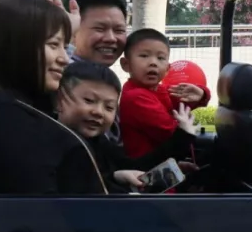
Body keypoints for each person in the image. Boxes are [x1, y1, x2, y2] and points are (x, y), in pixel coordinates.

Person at [0, 0, 108, 194]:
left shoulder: (16, 108)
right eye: (54, 45)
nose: (65, 59)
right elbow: (40, 207)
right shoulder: (0, 120)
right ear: (16, 45)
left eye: (65, 46)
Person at [56, 61, 199, 193]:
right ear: (59, 99)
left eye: (109, 107)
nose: (99, 112)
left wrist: (179, 147)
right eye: (89, 101)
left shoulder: (98, 141)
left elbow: (132, 166)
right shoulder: (55, 146)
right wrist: (115, 179)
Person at [34, 0, 129, 142]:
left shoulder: (107, 78)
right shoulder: (56, 76)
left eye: (119, 30)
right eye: (100, 29)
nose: (111, 38)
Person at [119, 28, 211, 159]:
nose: (153, 63)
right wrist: (186, 127)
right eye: (144, 56)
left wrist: (201, 94)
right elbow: (172, 133)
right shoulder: (136, 97)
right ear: (126, 64)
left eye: (160, 58)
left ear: (167, 69)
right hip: (148, 168)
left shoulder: (159, 90)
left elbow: (183, 102)